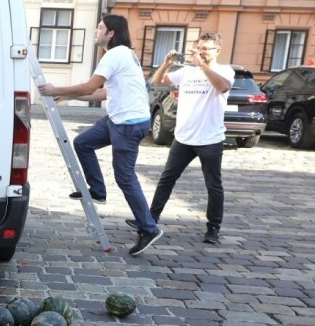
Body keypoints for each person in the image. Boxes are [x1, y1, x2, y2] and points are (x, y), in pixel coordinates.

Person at [39, 14, 163, 256]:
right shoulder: (123, 55)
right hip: (118, 119)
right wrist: (68, 96)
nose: (96, 31)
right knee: (83, 143)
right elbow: (103, 94)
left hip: (128, 123)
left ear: (111, 33)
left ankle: (148, 228)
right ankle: (97, 190)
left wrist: (57, 89)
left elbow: (90, 87)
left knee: (125, 177)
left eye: (100, 27)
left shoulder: (115, 54)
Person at [125, 33, 233, 244]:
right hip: (183, 138)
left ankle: (213, 228)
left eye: (206, 48)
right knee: (166, 179)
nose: (201, 51)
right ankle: (149, 219)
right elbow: (157, 82)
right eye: (199, 47)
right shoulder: (186, 72)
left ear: (217, 50)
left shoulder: (223, 71)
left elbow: (222, 87)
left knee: (213, 184)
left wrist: (202, 65)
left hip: (209, 139)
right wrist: (165, 64)